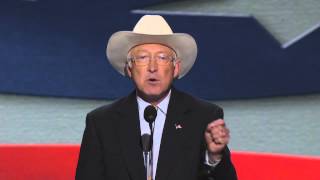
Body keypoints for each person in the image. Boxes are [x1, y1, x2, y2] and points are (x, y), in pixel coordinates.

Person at [76, 15, 237, 180]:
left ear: (175, 68)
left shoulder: (204, 117)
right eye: (142, 58)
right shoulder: (102, 122)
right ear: (130, 68)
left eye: (162, 58)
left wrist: (214, 158)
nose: (152, 67)